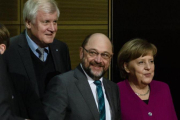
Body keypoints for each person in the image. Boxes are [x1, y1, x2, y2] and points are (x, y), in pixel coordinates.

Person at [3, 0, 71, 119]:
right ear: (28, 22)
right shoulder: (9, 49)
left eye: (55, 22)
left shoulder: (61, 48)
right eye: (46, 22)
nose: (52, 28)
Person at [42, 33, 121, 120]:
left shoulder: (113, 88)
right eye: (93, 53)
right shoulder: (63, 84)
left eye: (105, 55)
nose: (98, 60)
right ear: (81, 53)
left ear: (110, 58)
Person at [117, 38, 178, 120]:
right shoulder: (115, 92)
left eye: (151, 61)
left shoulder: (163, 88)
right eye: (141, 62)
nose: (148, 67)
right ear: (126, 67)